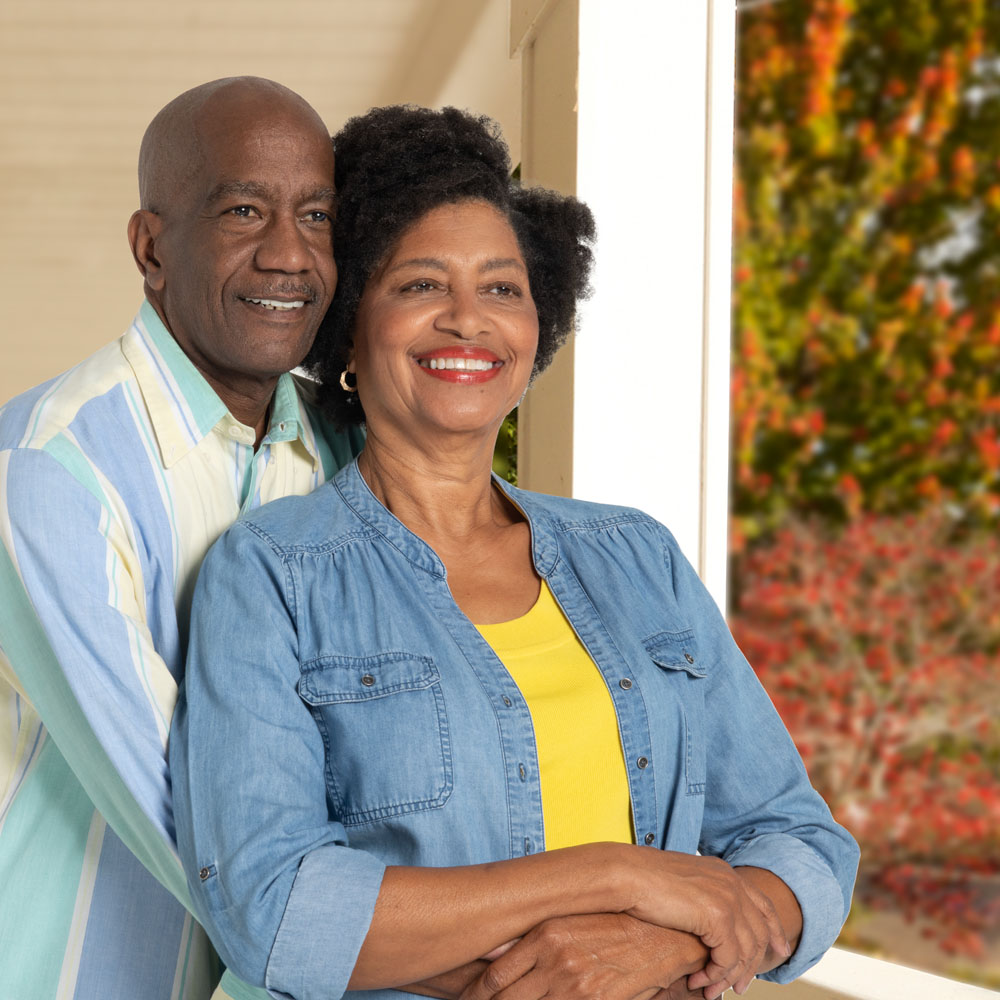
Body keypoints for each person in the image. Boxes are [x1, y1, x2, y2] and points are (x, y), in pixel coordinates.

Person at [171, 106, 859, 1000]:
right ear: (349, 331)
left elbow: (800, 844)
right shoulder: (271, 575)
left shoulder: (636, 556)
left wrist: (668, 949)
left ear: (540, 326)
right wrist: (616, 877)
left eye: (502, 289)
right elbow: (276, 912)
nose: (468, 321)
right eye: (421, 286)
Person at [0, 77, 362, 1000]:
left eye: (316, 215)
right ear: (151, 246)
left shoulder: (345, 450)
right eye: (245, 209)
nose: (290, 255)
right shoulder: (48, 471)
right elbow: (192, 807)